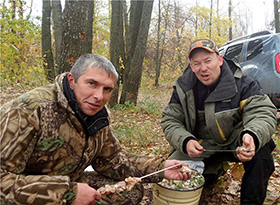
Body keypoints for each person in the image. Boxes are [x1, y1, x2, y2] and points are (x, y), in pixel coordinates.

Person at [0, 54, 191, 205]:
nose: (99, 96)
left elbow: (112, 160)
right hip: (30, 193)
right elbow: (2, 182)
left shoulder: (98, 114)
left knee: (129, 191)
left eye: (107, 89)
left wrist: (160, 168)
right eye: (92, 84)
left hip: (70, 181)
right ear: (72, 80)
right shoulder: (28, 111)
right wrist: (66, 194)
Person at [161, 38, 277, 204]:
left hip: (235, 142)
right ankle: (211, 173)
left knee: (262, 150)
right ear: (192, 67)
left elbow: (262, 111)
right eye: (197, 63)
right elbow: (170, 120)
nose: (203, 68)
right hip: (199, 146)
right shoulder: (183, 87)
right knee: (177, 173)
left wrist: (252, 135)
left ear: (220, 60)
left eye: (208, 61)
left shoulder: (243, 82)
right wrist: (186, 141)